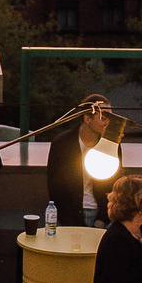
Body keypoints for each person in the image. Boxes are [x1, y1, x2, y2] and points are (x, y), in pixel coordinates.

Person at [45, 95, 120, 230]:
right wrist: (71, 223)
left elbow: (115, 186)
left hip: (100, 214)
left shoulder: (111, 146)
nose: (107, 122)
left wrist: (102, 219)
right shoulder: (62, 143)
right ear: (87, 118)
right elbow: (56, 188)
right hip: (68, 216)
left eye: (110, 118)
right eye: (103, 117)